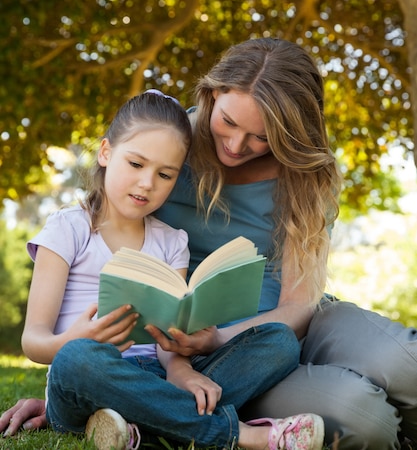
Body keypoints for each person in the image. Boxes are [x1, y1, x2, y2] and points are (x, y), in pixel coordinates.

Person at [2, 37, 416, 448]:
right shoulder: (167, 146)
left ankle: (141, 418)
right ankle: (193, 423)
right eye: (230, 123)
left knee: (405, 365)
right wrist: (81, 379)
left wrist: (219, 338)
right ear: (213, 94)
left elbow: (297, 305)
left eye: (262, 136)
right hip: (189, 352)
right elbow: (94, 261)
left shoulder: (303, 173)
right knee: (366, 419)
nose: (236, 146)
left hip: (274, 332)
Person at [0, 88, 325, 450]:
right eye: (136, 164)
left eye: (166, 175)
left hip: (154, 377)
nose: (147, 184)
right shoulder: (67, 229)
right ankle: (239, 435)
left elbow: (169, 339)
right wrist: (72, 340)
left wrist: (180, 370)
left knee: (278, 341)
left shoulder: (172, 242)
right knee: (78, 359)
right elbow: (34, 342)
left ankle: (139, 430)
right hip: (87, 377)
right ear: (106, 152)